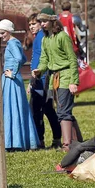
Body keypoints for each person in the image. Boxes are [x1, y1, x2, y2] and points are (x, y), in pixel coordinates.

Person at [32, 7, 81, 152]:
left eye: (44, 21)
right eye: (40, 21)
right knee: (64, 111)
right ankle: (78, 142)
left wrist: (73, 81)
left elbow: (73, 60)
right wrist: (40, 70)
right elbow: (44, 59)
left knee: (63, 112)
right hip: (54, 78)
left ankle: (67, 146)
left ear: (53, 21)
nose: (42, 24)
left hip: (66, 77)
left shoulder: (62, 37)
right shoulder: (45, 39)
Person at [0, 19, 39, 151]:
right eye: (0, 33)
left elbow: (19, 59)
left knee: (12, 109)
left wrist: (13, 73)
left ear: (9, 31)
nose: (1, 36)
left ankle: (13, 142)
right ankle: (16, 140)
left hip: (12, 80)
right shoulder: (14, 42)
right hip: (13, 80)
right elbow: (23, 58)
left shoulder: (12, 43)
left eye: (3, 33)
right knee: (14, 108)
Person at [27, 13, 61, 149]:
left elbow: (44, 59)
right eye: (30, 25)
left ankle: (43, 140)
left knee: (39, 110)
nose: (32, 27)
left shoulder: (42, 37)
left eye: (34, 24)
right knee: (46, 110)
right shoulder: (38, 38)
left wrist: (35, 80)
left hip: (42, 79)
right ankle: (53, 139)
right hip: (38, 79)